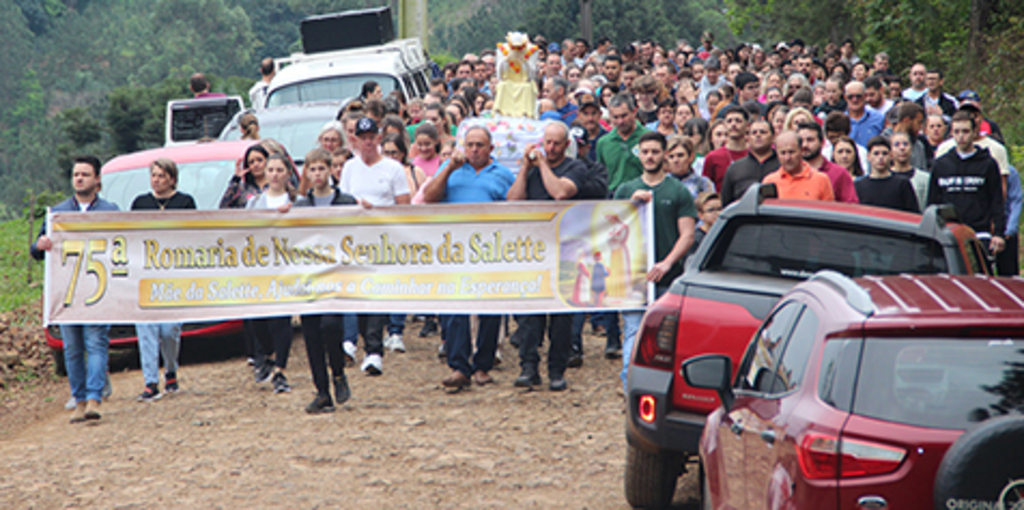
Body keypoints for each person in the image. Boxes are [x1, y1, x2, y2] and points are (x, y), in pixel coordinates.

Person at [507, 122, 604, 391]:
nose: (550, 149)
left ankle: (556, 370)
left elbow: (560, 192)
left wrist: (543, 166)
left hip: (566, 251)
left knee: (561, 316)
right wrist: (526, 168)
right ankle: (528, 367)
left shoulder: (576, 167)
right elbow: (513, 201)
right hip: (534, 252)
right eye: (546, 143)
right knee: (529, 315)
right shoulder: (533, 169)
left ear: (565, 145)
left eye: (556, 144)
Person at [422, 127, 514, 388]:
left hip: (490, 251)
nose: (474, 149)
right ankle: (459, 366)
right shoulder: (450, 169)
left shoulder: (503, 175)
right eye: (470, 144)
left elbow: (518, 206)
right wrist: (449, 169)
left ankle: (482, 365)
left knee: (489, 309)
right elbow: (429, 197)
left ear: (491, 149)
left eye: (480, 145)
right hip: (455, 252)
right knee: (453, 309)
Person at [31, 156, 118, 423]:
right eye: (76, 174)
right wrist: (40, 244)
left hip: (96, 291)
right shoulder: (57, 213)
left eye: (85, 174)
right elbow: (36, 252)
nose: (79, 178)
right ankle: (78, 398)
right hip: (67, 293)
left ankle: (94, 397)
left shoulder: (110, 212)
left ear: (97, 179)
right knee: (72, 348)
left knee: (96, 343)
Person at [614, 132, 697, 389]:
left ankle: (660, 387)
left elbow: (688, 235)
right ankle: (631, 386)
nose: (649, 157)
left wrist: (667, 262)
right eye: (645, 152)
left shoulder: (678, 191)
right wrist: (630, 205)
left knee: (664, 335)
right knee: (633, 331)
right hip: (634, 277)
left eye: (655, 152)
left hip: (667, 277)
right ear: (638, 155)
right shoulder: (625, 189)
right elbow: (613, 233)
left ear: (664, 155)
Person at [339, 117, 411, 375]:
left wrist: (378, 212)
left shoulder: (393, 169)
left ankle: (373, 350)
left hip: (382, 241)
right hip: (355, 241)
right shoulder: (349, 167)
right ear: (356, 140)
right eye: (363, 137)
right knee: (358, 295)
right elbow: (342, 200)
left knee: (377, 295)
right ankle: (360, 342)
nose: (368, 142)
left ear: (378, 138)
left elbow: (404, 207)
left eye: (372, 137)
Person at [294, 149, 363, 413]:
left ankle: (337, 373)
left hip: (337, 277)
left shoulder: (345, 201)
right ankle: (322, 391)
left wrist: (365, 210)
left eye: (322, 169)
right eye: (312, 170)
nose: (317, 174)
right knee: (311, 334)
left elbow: (360, 229)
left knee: (331, 326)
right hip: (310, 280)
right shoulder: (301, 206)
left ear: (331, 171)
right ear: (307, 173)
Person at [131, 159, 196, 402]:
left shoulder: (185, 202)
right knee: (146, 328)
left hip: (174, 275)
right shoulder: (140, 203)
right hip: (146, 274)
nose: (156, 180)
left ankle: (170, 368)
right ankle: (150, 381)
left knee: (169, 330)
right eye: (153, 175)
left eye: (161, 175)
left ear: (171, 178)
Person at [246, 154, 297, 394]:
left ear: (287, 173)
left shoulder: (298, 202)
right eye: (271, 170)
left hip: (287, 267)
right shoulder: (255, 202)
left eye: (279, 170)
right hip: (260, 268)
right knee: (259, 321)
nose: (275, 174)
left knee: (281, 321)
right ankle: (267, 355)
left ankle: (280, 370)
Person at [928, 111, 1005, 259]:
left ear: (974, 132)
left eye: (965, 131)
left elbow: (997, 201)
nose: (961, 136)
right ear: (951, 133)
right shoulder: (941, 165)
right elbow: (932, 202)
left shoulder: (988, 164)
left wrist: (999, 234)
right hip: (948, 232)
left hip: (979, 232)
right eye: (957, 131)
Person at [597, 93, 650, 194]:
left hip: (644, 194)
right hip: (615, 197)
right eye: (615, 117)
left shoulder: (649, 137)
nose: (620, 121)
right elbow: (602, 175)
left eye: (624, 116)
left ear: (634, 112)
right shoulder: (603, 142)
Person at [762, 131, 835, 201]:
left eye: (791, 152)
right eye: (783, 153)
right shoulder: (769, 181)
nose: (787, 158)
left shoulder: (821, 180)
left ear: (801, 151)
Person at [719, 118, 777, 205]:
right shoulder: (735, 168)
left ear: (773, 137)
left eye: (763, 132)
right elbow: (726, 203)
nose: (758, 135)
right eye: (754, 133)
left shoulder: (782, 165)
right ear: (748, 138)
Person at [797, 122, 858, 203]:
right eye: (801, 141)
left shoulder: (839, 173)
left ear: (822, 143)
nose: (805, 145)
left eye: (810, 140)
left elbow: (851, 206)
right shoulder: (790, 172)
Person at [855, 136, 919, 213]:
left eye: (884, 153)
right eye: (876, 154)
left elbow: (913, 213)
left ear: (891, 156)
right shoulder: (859, 186)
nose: (881, 157)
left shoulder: (902, 184)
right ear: (868, 157)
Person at [703, 106, 750, 193]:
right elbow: (706, 188)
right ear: (725, 125)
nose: (733, 124)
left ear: (747, 126)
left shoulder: (753, 154)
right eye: (729, 121)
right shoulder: (712, 157)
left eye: (738, 121)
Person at [890, 131, 930, 209]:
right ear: (890, 151)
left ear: (911, 149)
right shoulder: (885, 179)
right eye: (897, 145)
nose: (902, 148)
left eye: (905, 144)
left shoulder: (925, 179)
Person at [845, 81, 884, 147]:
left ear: (865, 96)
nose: (854, 100)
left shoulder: (878, 118)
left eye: (858, 96)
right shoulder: (840, 120)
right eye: (850, 96)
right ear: (845, 97)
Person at [687, 192, 722, 261]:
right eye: (711, 210)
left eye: (720, 209)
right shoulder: (695, 239)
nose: (718, 213)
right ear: (700, 215)